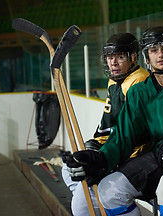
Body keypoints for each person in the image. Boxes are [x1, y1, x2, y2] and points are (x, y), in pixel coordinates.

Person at [66, 26, 163, 216]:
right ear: (146, 56)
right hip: (162, 154)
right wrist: (101, 158)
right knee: (109, 191)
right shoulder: (139, 93)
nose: (160, 54)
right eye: (154, 50)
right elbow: (123, 137)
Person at [61, 33, 150, 216]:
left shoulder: (138, 81)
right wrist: (94, 143)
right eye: (110, 58)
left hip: (133, 154)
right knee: (68, 170)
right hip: (114, 148)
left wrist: (101, 155)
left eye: (119, 57)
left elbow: (131, 132)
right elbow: (109, 123)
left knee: (82, 204)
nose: (113, 63)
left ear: (133, 57)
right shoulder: (115, 81)